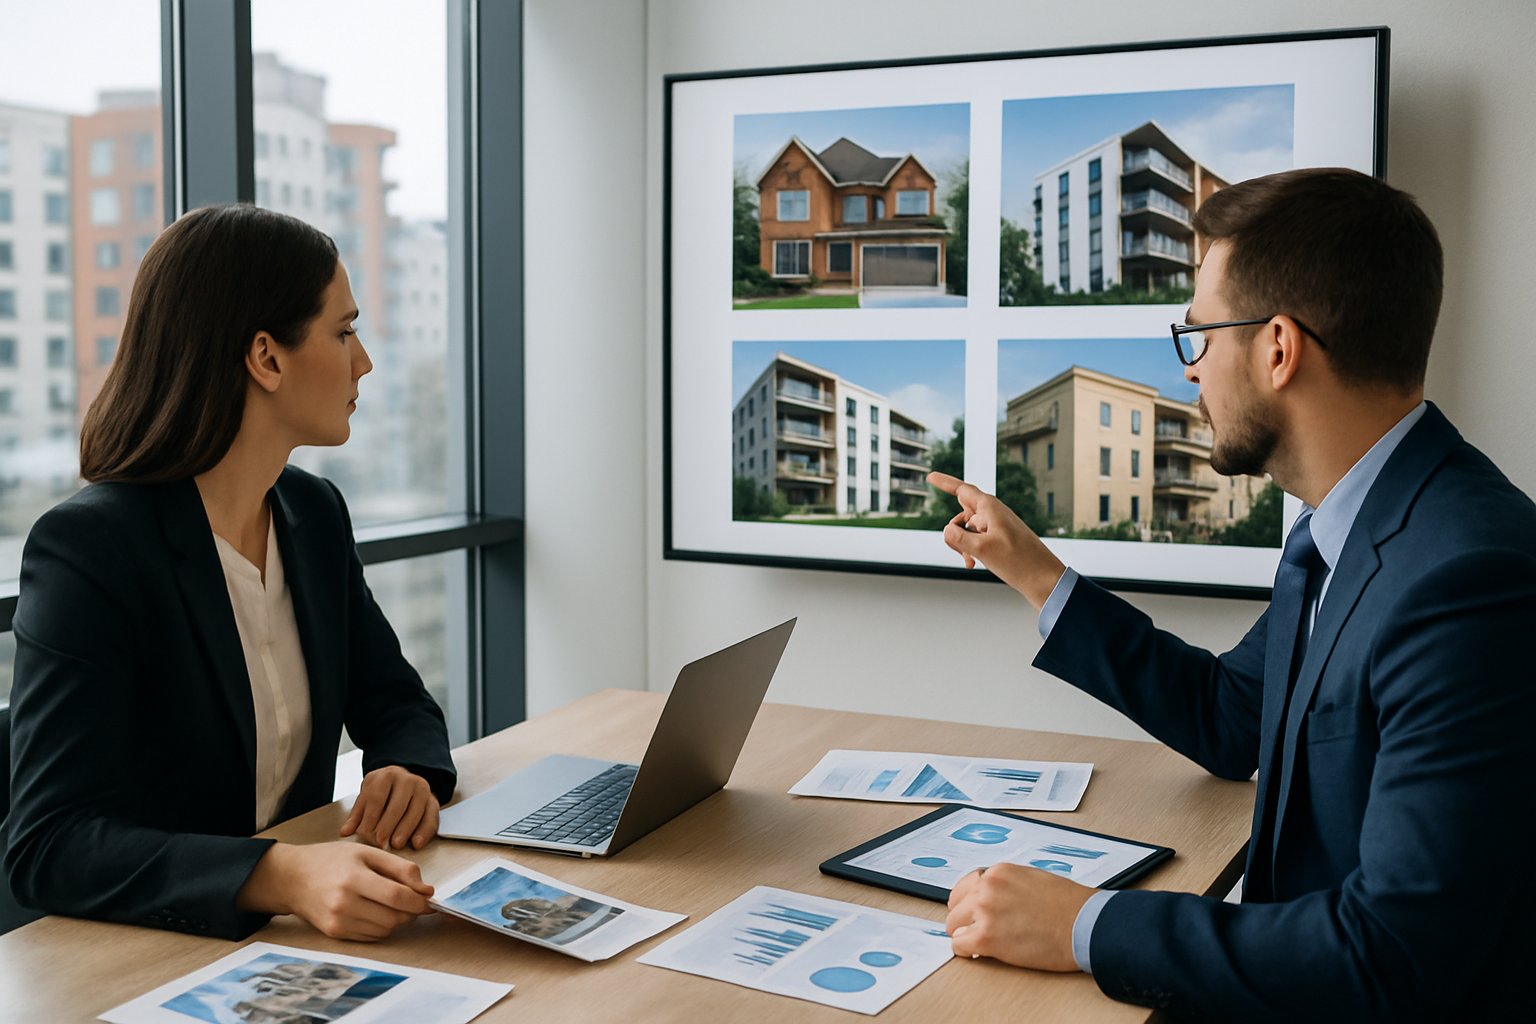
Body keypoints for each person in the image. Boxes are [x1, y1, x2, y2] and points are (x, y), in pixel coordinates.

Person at [930, 168, 1536, 1020]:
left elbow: (1394, 952)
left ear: (1278, 348)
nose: (1191, 375)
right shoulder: (1352, 526)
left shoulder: (1464, 579)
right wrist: (1035, 571)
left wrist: (1087, 926)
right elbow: (1229, 718)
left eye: (1199, 338)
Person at [5, 204, 458, 942]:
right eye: (343, 332)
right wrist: (277, 873)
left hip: (302, 938)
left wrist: (408, 771)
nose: (364, 360)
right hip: (154, 952)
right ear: (266, 357)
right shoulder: (91, 549)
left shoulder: (312, 514)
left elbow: (396, 702)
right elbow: (49, 845)